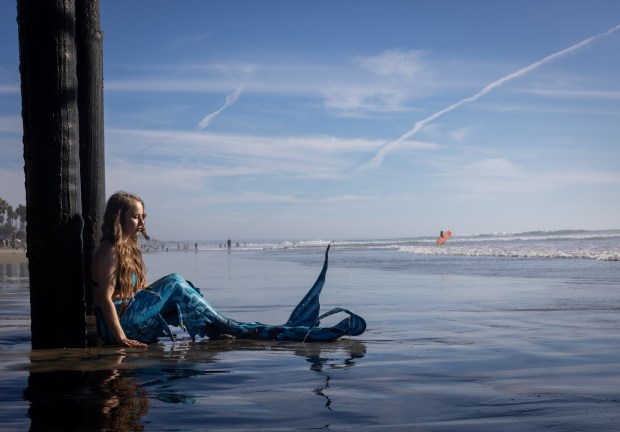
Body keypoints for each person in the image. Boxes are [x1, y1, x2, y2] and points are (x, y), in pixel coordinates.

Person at [92, 192, 366, 347]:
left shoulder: (129, 248)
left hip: (130, 316)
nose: (141, 222)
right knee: (175, 281)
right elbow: (104, 299)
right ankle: (224, 324)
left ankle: (219, 325)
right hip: (116, 324)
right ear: (119, 218)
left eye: (143, 216)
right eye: (135, 216)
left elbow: (139, 292)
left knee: (178, 286)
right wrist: (121, 338)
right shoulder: (109, 250)